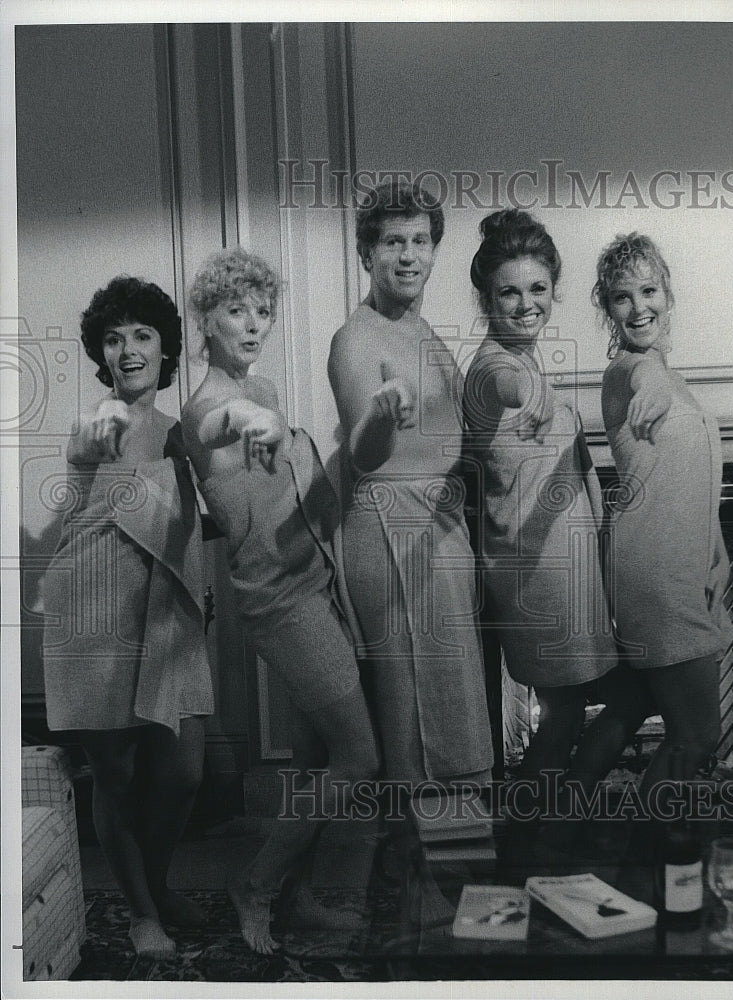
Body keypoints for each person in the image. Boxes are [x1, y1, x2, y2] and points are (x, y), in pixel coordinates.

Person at [182, 246, 379, 954]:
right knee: (359, 755)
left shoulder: (263, 392)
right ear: (204, 320)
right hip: (278, 604)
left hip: (317, 582)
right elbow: (210, 429)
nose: (254, 323)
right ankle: (255, 885)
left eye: (263, 311)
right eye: (236, 310)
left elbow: (297, 487)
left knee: (313, 759)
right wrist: (240, 417)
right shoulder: (207, 408)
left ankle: (310, 895)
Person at [42, 277, 215, 959]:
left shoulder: (183, 435)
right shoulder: (96, 425)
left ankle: (160, 883)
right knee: (114, 775)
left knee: (182, 773)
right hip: (92, 611)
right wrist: (91, 446)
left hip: (167, 612)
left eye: (142, 334)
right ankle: (143, 911)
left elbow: (197, 521)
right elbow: (87, 461)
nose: (128, 349)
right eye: (114, 338)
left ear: (164, 347)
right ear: (101, 353)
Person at [464, 209, 650, 815]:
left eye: (537, 289)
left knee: (588, 707)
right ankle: (538, 832)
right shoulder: (495, 367)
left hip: (567, 571)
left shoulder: (525, 356)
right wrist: (533, 393)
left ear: (554, 290)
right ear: (486, 297)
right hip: (536, 576)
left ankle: (549, 825)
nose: (525, 304)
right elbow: (504, 389)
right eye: (509, 292)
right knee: (573, 709)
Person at [327, 178, 493, 792]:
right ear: (366, 253)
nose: (408, 255)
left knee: (448, 706)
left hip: (440, 534)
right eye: (393, 241)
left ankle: (437, 867)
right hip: (389, 534)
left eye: (420, 241)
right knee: (409, 715)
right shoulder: (356, 338)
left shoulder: (424, 334)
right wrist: (380, 416)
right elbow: (363, 454)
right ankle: (413, 879)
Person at [594, 232, 733, 798]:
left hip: (675, 568)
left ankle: (553, 835)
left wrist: (718, 550)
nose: (638, 307)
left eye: (648, 291)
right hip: (655, 574)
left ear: (667, 296)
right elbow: (639, 378)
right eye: (622, 298)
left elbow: (693, 479)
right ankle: (641, 861)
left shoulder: (674, 380)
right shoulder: (630, 371)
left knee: (629, 707)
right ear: (608, 309)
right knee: (698, 734)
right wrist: (650, 378)